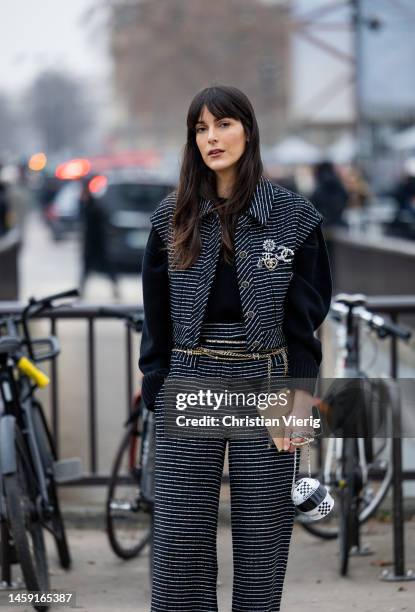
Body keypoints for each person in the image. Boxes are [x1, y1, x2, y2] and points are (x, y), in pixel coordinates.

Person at [139, 85, 332, 612]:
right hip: (190, 379)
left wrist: (299, 394)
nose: (211, 138)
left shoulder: (294, 217)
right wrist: (155, 382)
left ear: (248, 129)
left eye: (223, 124)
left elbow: (306, 321)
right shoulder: (171, 217)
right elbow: (155, 314)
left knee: (261, 541)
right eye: (200, 129)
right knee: (179, 545)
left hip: (268, 381)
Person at [78, 177, 119, 299]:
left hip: (98, 242)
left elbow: (100, 220)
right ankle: (82, 290)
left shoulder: (95, 204)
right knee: (86, 270)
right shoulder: (86, 203)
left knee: (106, 267)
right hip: (91, 243)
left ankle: (115, 288)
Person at [311, 160, 349, 228]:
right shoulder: (337, 182)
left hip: (324, 223)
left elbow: (314, 202)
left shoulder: (321, 184)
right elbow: (345, 196)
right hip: (338, 221)